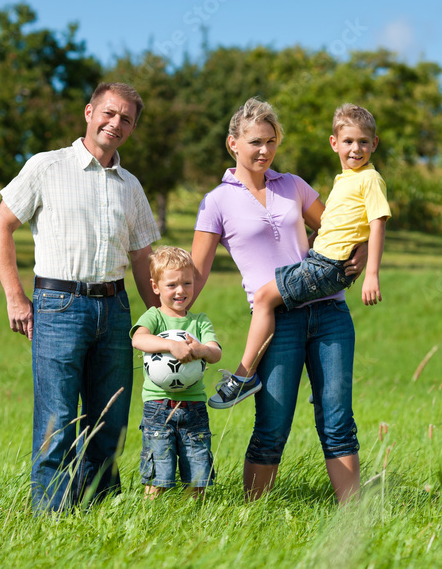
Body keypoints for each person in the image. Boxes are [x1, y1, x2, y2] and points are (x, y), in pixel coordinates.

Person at [0, 82, 161, 513]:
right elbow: (0, 227)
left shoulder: (131, 186)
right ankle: (51, 520)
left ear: (132, 128)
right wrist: (15, 297)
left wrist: (162, 318)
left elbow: (142, 257)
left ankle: (98, 516)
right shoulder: (46, 166)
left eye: (126, 119)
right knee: (58, 421)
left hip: (116, 310)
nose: (115, 123)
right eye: (109, 113)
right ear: (89, 112)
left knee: (110, 424)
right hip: (59, 307)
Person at [191, 97, 365, 504]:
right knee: (272, 425)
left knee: (338, 420)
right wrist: (164, 316)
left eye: (271, 141)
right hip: (276, 323)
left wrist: (361, 252)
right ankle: (255, 515)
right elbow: (195, 274)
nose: (264, 150)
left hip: (330, 312)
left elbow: (338, 229)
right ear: (233, 143)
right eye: (255, 141)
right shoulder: (215, 202)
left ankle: (355, 515)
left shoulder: (293, 185)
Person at [209, 103, 390, 408]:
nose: (355, 149)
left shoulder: (366, 179)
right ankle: (319, 381)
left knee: (264, 297)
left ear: (374, 144)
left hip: (328, 269)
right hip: (320, 261)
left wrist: (370, 266)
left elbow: (377, 222)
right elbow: (333, 227)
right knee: (266, 298)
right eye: (348, 141)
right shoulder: (345, 178)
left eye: (363, 142)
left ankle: (244, 376)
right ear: (334, 143)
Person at [130, 246, 223, 499]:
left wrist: (202, 349)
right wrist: (171, 345)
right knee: (158, 471)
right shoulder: (153, 317)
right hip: (158, 407)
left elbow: (216, 353)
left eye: (187, 283)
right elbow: (138, 340)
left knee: (198, 473)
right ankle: (150, 515)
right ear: (156, 286)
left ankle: (194, 514)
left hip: (194, 407)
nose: (180, 290)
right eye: (172, 285)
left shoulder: (199, 321)